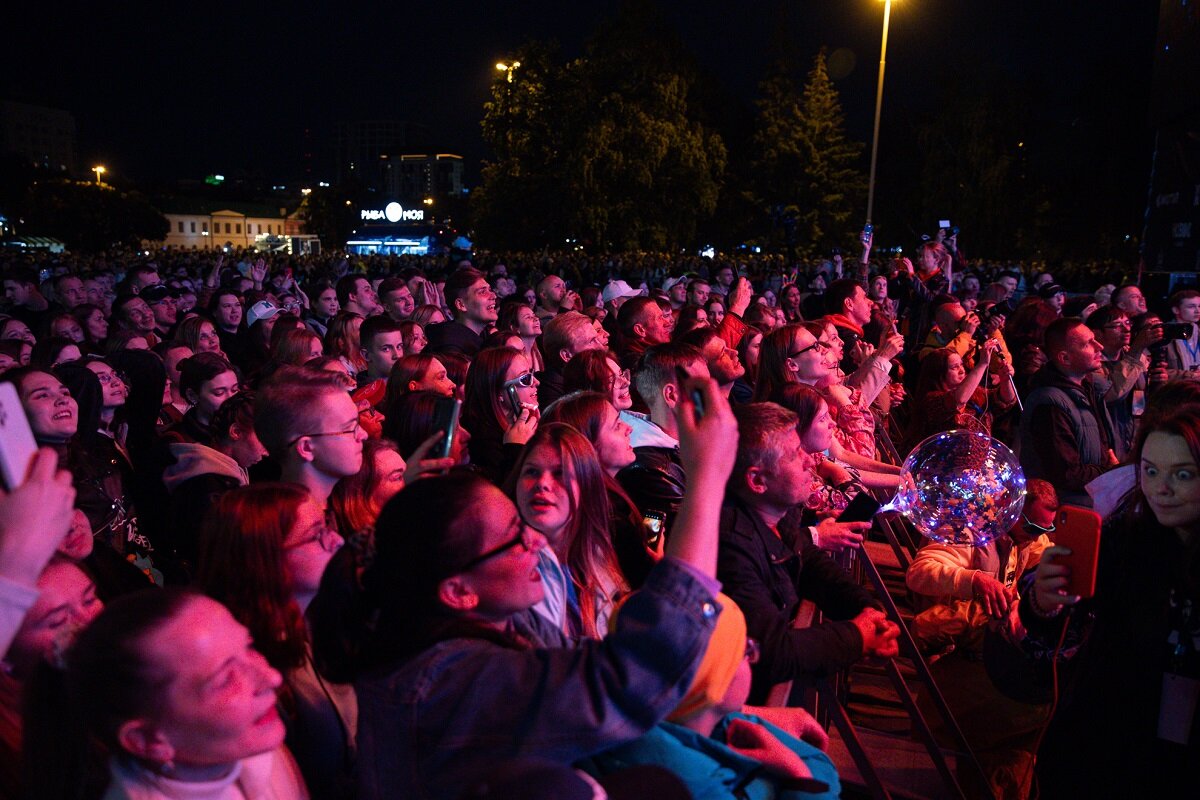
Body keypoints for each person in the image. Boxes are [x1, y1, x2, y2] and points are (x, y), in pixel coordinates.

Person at [308, 371, 736, 800]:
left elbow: (586, 661)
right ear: (458, 592)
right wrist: (707, 480)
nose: (533, 539)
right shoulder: (451, 681)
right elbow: (627, 679)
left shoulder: (497, 626)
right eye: (514, 535)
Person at [1021, 403, 1200, 796]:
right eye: (1151, 471)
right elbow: (1056, 617)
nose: (1161, 488)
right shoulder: (1128, 539)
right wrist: (1042, 598)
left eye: (1182, 474)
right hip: (1112, 743)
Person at [26, 589, 309, 799]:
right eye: (225, 679)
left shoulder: (246, 749)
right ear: (149, 740)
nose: (271, 677)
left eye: (248, 647)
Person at [718, 402, 899, 703]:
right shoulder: (731, 546)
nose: (809, 462)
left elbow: (808, 562)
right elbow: (771, 652)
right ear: (757, 480)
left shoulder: (779, 515)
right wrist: (857, 637)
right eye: (794, 455)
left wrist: (865, 609)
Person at [591, 597, 840, 799]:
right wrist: (797, 775)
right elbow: (820, 771)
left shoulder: (708, 716)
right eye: (745, 651)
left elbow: (820, 762)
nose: (752, 658)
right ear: (715, 682)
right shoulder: (687, 782)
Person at [196, 484, 356, 799]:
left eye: (328, 525)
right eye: (316, 534)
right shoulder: (254, 669)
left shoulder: (326, 619)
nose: (336, 540)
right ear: (265, 560)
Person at [507, 423, 629, 637]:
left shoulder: (603, 556)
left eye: (559, 473)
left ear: (586, 485)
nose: (542, 483)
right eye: (531, 472)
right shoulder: (502, 568)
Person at [1017, 318, 1117, 506]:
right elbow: (1067, 474)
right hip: (1066, 510)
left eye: (1095, 339)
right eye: (1088, 344)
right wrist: (1110, 471)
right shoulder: (1049, 404)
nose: (1100, 346)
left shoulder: (1087, 388)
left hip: (1089, 501)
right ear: (1065, 358)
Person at [615, 343, 706, 530]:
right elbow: (689, 535)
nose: (715, 396)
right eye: (702, 387)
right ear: (671, 396)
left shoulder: (689, 445)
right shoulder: (650, 471)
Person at [255, 367, 368, 514]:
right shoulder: (293, 530)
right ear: (307, 448)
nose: (364, 435)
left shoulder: (338, 506)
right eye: (350, 428)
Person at [907, 339, 1016, 446]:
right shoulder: (931, 399)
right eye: (955, 367)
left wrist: (1005, 379)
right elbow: (958, 400)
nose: (962, 370)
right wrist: (982, 363)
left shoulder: (974, 393)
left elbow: (1005, 400)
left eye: (961, 364)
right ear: (939, 373)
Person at [461, 347, 540, 484]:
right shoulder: (482, 442)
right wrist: (516, 447)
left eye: (531, 374)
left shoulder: (519, 423)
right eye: (525, 378)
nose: (536, 382)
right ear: (499, 393)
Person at [537, 311, 606, 410]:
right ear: (566, 355)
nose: (600, 347)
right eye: (591, 341)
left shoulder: (592, 372)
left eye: (596, 339)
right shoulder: (554, 393)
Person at [425, 268, 497, 357]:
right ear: (461, 305)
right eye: (482, 292)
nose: (493, 296)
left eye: (490, 290)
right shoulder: (450, 352)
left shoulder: (488, 338)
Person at [562, 349, 634, 411]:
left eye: (621, 374)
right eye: (611, 380)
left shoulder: (640, 421)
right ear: (588, 392)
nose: (627, 383)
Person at [1165, 288, 1200, 378]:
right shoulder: (1165, 335)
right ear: (1176, 310)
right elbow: (1155, 371)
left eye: (1199, 306)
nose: (1197, 310)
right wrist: (1190, 375)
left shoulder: (1198, 333)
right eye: (1191, 306)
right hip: (1176, 389)